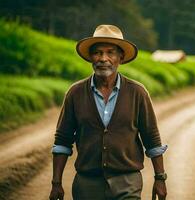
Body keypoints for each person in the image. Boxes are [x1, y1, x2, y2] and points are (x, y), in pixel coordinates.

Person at [49, 24, 168, 200]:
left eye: (110, 52)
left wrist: (160, 178)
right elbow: (62, 141)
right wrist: (56, 183)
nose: (103, 58)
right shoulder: (75, 93)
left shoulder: (137, 93)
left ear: (121, 57)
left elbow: (152, 139)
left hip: (127, 182)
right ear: (91, 57)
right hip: (87, 185)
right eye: (97, 53)